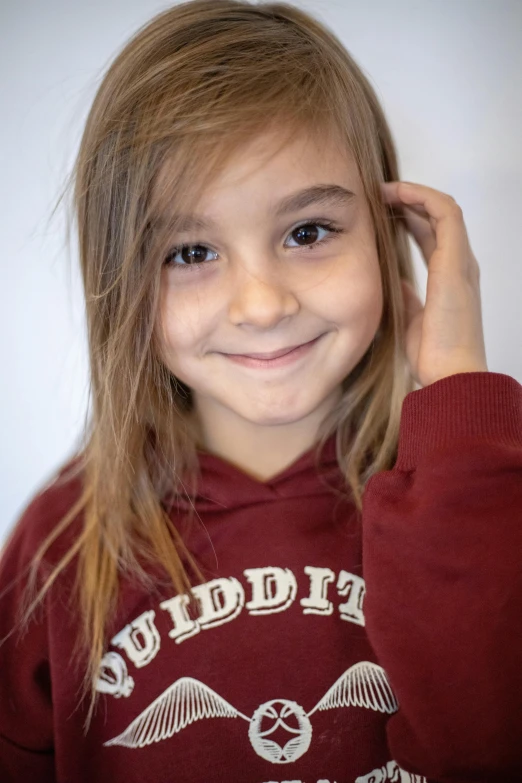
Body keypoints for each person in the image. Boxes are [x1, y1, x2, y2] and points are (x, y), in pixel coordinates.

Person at [1, 1, 521, 781]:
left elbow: (495, 745)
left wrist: (457, 385)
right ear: (119, 284)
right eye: (192, 250)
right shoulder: (60, 548)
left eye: (306, 232)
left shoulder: (469, 495)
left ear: (385, 235)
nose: (262, 304)